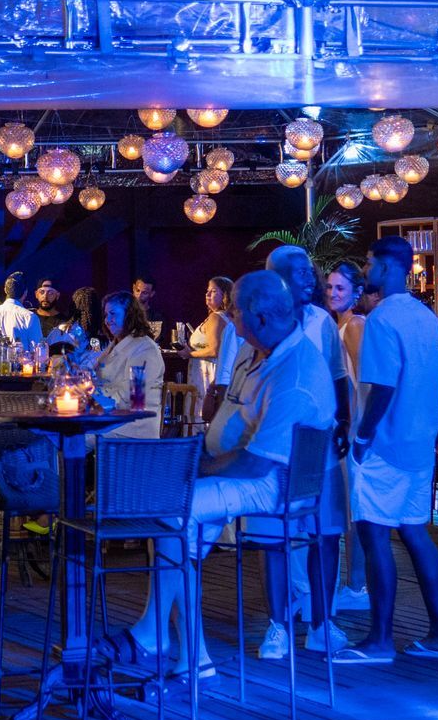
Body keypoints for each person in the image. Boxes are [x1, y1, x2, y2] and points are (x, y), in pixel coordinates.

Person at [108, 271, 333, 678]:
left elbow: (257, 463)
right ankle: (182, 651)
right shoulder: (257, 348)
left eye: (235, 311)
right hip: (235, 470)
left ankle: (162, 639)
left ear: (260, 317)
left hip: (270, 484)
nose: (229, 318)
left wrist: (194, 467)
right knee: (175, 521)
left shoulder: (297, 373)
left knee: (172, 513)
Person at [342, 236, 438, 663]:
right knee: (413, 531)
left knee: (372, 532)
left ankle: (380, 639)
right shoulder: (427, 317)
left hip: (387, 443)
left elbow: (382, 386)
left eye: (369, 262)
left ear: (388, 267)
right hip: (420, 439)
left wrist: (363, 437)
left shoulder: (381, 320)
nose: (365, 270)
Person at [261, 246, 355, 655]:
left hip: (319, 439)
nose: (310, 278)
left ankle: (322, 621)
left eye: (309, 271)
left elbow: (337, 376)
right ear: (277, 278)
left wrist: (345, 422)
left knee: (327, 531)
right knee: (274, 534)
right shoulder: (255, 319)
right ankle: (277, 625)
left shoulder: (321, 322)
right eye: (299, 272)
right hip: (273, 443)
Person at [324, 261, 370, 608]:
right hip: (343, 425)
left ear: (356, 292)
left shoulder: (354, 325)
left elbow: (364, 380)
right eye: (330, 287)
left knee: (354, 509)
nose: (333, 294)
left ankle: (357, 586)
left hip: (353, 426)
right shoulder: (335, 325)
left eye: (341, 288)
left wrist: (357, 427)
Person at [90, 291, 166, 439]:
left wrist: (92, 400)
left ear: (129, 315)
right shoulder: (115, 344)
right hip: (110, 418)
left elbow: (130, 397)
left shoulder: (144, 348)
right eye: (106, 315)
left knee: (73, 438)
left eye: (113, 314)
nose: (108, 320)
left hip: (132, 426)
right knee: (58, 434)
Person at [188, 277, 239, 424]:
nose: (208, 294)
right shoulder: (226, 317)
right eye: (207, 291)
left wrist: (189, 353)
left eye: (213, 291)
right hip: (210, 371)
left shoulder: (216, 318)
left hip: (208, 372)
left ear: (225, 295)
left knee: (202, 415)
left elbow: (214, 350)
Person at [0, 272, 40, 350]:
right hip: (20, 362)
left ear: (5, 290)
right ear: (25, 292)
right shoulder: (30, 317)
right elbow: (38, 352)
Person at [132, 276, 166, 344]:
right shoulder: (124, 313)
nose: (139, 295)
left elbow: (157, 341)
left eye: (144, 293)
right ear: (133, 288)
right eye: (137, 290)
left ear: (152, 294)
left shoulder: (157, 317)